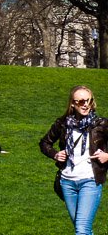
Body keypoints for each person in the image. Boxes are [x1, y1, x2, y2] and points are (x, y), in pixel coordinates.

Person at [40, 86, 108, 235]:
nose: (85, 105)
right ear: (72, 103)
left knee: (81, 230)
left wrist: (107, 156)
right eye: (81, 101)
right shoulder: (63, 123)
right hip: (67, 182)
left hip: (90, 181)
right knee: (83, 229)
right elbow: (44, 143)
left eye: (89, 101)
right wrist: (55, 154)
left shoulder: (101, 124)